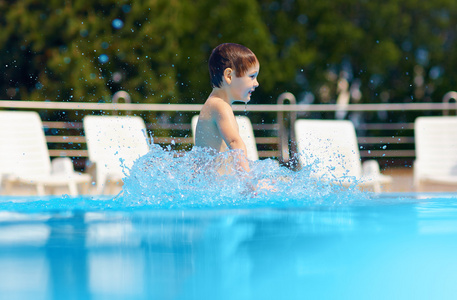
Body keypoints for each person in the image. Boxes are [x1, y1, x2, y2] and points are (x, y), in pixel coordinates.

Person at [194, 43, 259, 174]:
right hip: (213, 188)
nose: (256, 83)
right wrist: (248, 182)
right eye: (252, 76)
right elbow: (235, 143)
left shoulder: (216, 104)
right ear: (229, 76)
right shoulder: (220, 106)